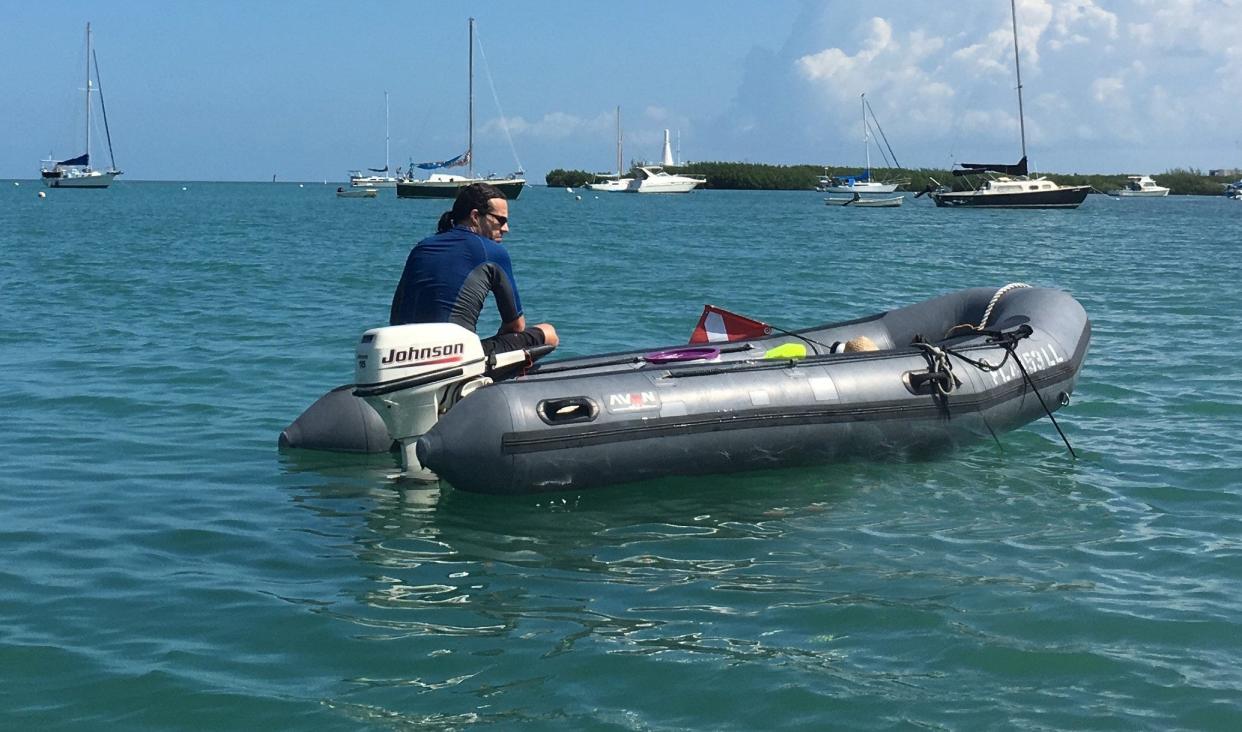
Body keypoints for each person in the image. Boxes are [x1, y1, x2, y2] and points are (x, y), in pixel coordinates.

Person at [389, 183, 558, 359]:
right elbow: (516, 326)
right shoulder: (492, 252)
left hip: (405, 355)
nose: (506, 228)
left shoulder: (421, 248)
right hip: (453, 359)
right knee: (549, 333)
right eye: (501, 220)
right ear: (476, 216)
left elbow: (396, 318)